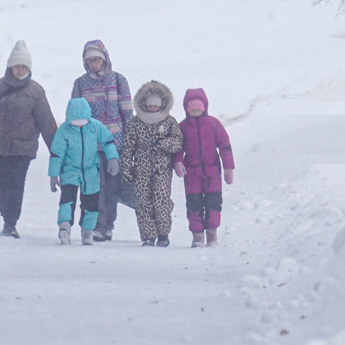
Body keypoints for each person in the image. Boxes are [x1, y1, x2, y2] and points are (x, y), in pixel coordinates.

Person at [0, 41, 57, 237]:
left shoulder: (36, 92)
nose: (20, 70)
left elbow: (46, 121)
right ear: (10, 66)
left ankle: (11, 222)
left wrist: (57, 151)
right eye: (17, 66)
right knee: (3, 184)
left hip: (23, 149)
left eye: (24, 67)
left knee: (17, 185)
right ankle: (6, 217)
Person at [70, 39, 132, 241]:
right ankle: (96, 224)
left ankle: (107, 226)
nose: (94, 64)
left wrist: (131, 141)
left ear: (104, 59)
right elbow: (75, 113)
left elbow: (127, 112)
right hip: (90, 143)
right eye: (90, 61)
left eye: (97, 60)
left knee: (113, 186)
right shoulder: (80, 84)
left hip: (115, 142)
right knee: (94, 185)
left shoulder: (118, 80)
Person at [119, 80, 182, 246]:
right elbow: (128, 147)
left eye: (155, 106)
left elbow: (177, 142)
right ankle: (147, 235)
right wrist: (126, 167)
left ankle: (163, 234)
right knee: (143, 203)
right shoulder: (135, 122)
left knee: (161, 201)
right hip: (141, 169)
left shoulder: (169, 122)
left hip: (162, 170)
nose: (152, 109)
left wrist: (163, 144)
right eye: (150, 106)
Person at [48, 97, 119, 245]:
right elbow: (56, 153)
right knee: (67, 201)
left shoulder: (95, 126)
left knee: (91, 204)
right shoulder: (64, 131)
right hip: (70, 171)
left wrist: (113, 158)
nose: (79, 126)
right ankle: (64, 227)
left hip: (91, 171)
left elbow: (108, 141)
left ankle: (87, 231)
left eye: (82, 123)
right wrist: (54, 174)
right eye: (75, 123)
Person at [175, 87, 234, 247]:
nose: (195, 111)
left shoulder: (213, 124)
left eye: (198, 109)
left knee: (213, 203)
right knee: (194, 204)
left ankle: (212, 233)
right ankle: (197, 235)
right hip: (192, 173)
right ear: (187, 109)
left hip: (212, 172)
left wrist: (229, 168)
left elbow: (225, 146)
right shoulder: (183, 127)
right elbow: (177, 148)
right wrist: (178, 162)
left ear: (204, 108)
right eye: (192, 109)